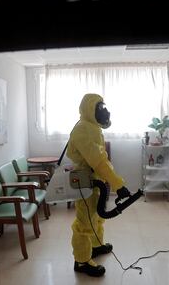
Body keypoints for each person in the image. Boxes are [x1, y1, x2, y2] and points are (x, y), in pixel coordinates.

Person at [66, 93, 131, 277]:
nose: (106, 111)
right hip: (86, 182)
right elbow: (98, 161)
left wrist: (112, 180)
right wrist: (118, 184)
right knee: (84, 221)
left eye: (104, 107)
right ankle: (81, 261)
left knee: (96, 216)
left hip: (95, 181)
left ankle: (95, 246)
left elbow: (101, 159)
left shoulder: (93, 128)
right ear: (89, 110)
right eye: (100, 108)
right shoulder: (82, 130)